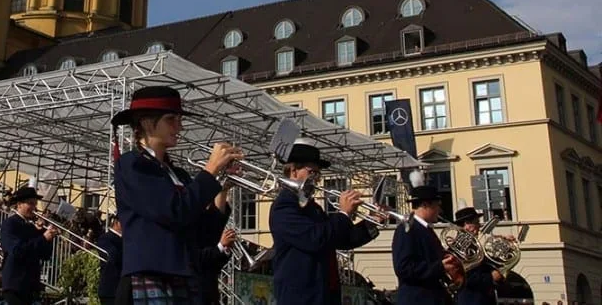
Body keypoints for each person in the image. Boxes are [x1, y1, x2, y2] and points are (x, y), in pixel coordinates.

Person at [111, 85, 243, 304]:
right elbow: (174, 211)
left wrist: (222, 188)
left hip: (185, 275)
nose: (179, 127)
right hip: (153, 273)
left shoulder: (177, 173)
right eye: (171, 119)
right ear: (145, 122)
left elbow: (203, 234)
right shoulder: (132, 164)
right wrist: (210, 171)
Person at [269, 140, 382, 305]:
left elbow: (340, 239)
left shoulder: (312, 207)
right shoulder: (284, 206)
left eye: (318, 174)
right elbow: (315, 239)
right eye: (312, 172)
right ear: (293, 170)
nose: (317, 179)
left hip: (325, 294)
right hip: (302, 297)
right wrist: (344, 214)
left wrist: (372, 222)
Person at [392, 184, 457, 305]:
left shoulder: (426, 229)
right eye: (437, 205)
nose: (439, 210)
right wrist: (440, 267)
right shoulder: (407, 229)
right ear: (425, 205)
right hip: (418, 299)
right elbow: (403, 268)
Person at [0, 185, 57, 305]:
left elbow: (45, 255)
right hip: (15, 283)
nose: (34, 208)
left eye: (35, 204)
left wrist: (48, 237)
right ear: (19, 204)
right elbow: (17, 251)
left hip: (30, 283)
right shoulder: (10, 224)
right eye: (30, 203)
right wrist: (43, 237)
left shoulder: (31, 226)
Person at [451, 207, 502, 305]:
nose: (479, 226)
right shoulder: (458, 248)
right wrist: (491, 277)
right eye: (476, 222)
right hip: (471, 300)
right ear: (467, 225)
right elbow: (466, 278)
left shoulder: (474, 246)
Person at [95, 214, 123, 305]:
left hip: (122, 288)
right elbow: (113, 256)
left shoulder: (124, 239)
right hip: (110, 289)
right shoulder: (106, 238)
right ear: (116, 223)